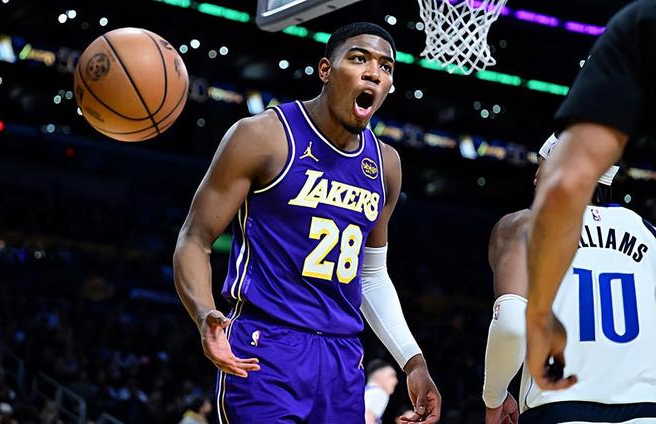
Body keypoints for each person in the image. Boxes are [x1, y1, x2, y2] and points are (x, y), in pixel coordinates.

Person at [173, 22, 441, 424]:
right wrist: (203, 313)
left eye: (385, 67)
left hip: (343, 359)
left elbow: (371, 275)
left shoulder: (386, 164)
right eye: (359, 59)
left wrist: (413, 361)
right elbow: (195, 238)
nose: (374, 73)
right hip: (266, 346)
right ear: (325, 70)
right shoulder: (263, 136)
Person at [525, 0, 656, 391]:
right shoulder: (644, 229)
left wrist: (540, 317)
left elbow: (567, 183)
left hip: (577, 394)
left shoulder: (641, 22)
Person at [484, 135, 656, 422]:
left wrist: (494, 397)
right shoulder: (649, 234)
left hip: (559, 407)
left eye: (541, 166)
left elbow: (511, 324)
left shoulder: (524, 225)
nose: (535, 177)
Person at [365, 359, 399, 424]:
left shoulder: (367, 391)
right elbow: (367, 419)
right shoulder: (379, 392)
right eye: (392, 376)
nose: (396, 381)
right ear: (379, 376)